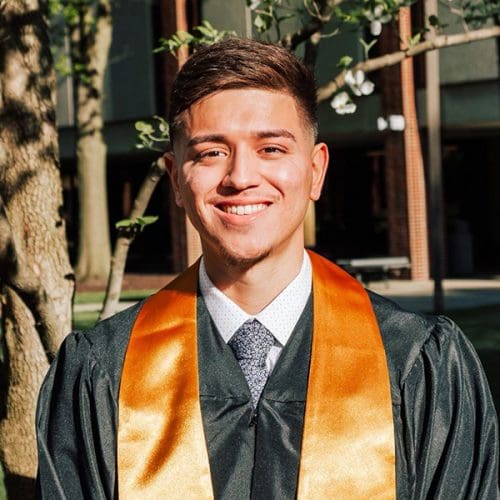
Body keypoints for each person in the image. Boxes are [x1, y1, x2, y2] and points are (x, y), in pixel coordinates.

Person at [36, 38, 499, 499]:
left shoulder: (416, 365)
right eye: (211, 152)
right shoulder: (103, 373)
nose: (240, 177)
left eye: (271, 149)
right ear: (176, 178)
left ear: (315, 170)